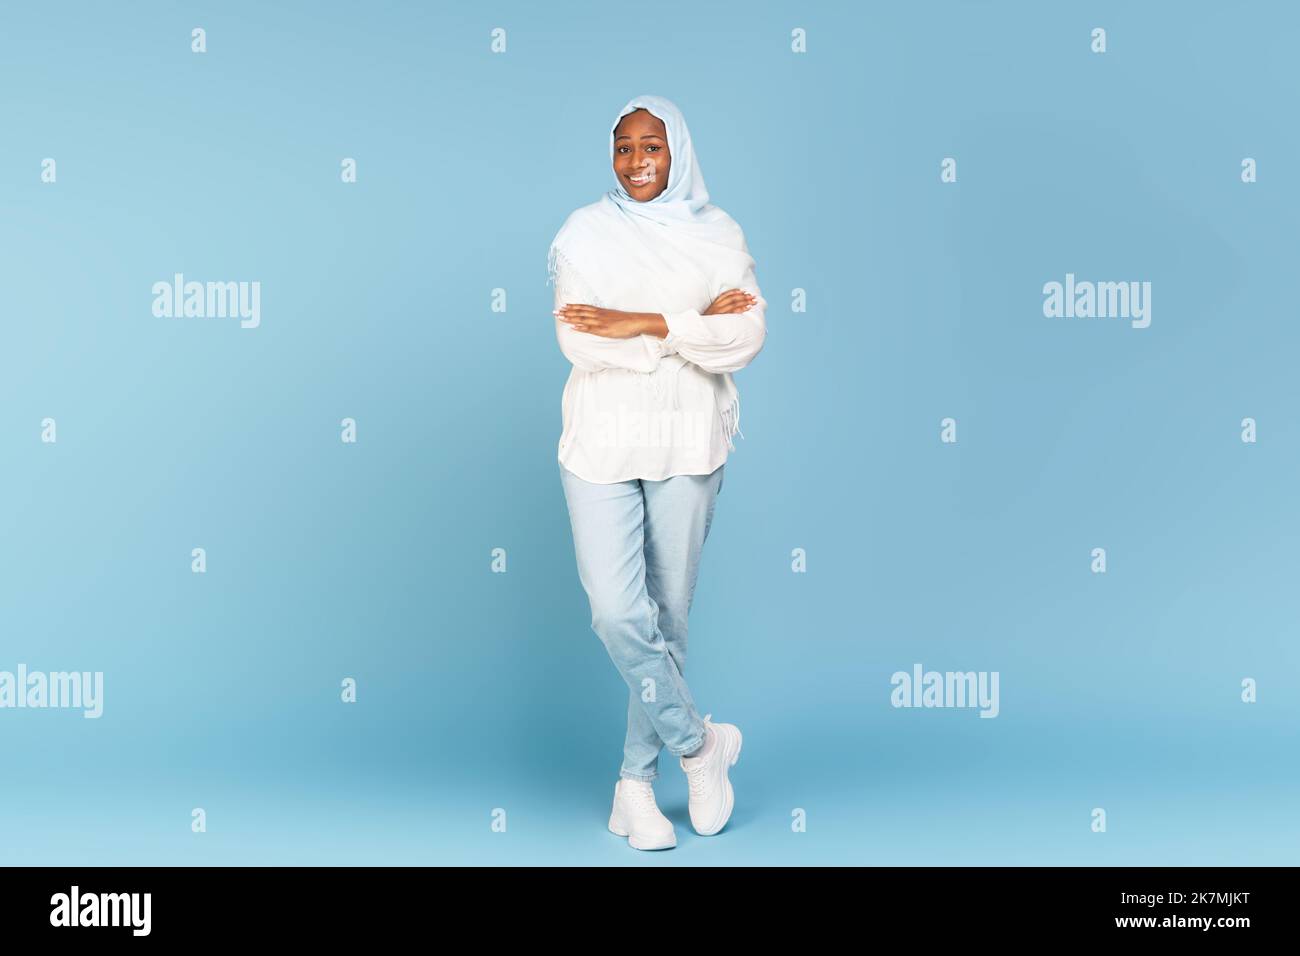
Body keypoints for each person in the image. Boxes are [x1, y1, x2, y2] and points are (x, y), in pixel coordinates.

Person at [548, 94, 767, 850]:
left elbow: (746, 336)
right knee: (619, 612)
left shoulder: (717, 232)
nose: (637, 162)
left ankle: (634, 787)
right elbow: (583, 343)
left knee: (668, 617)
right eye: (623, 148)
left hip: (688, 437)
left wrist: (647, 322)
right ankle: (703, 746)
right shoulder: (585, 233)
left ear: (678, 151)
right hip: (602, 441)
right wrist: (693, 326)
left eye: (652, 147)